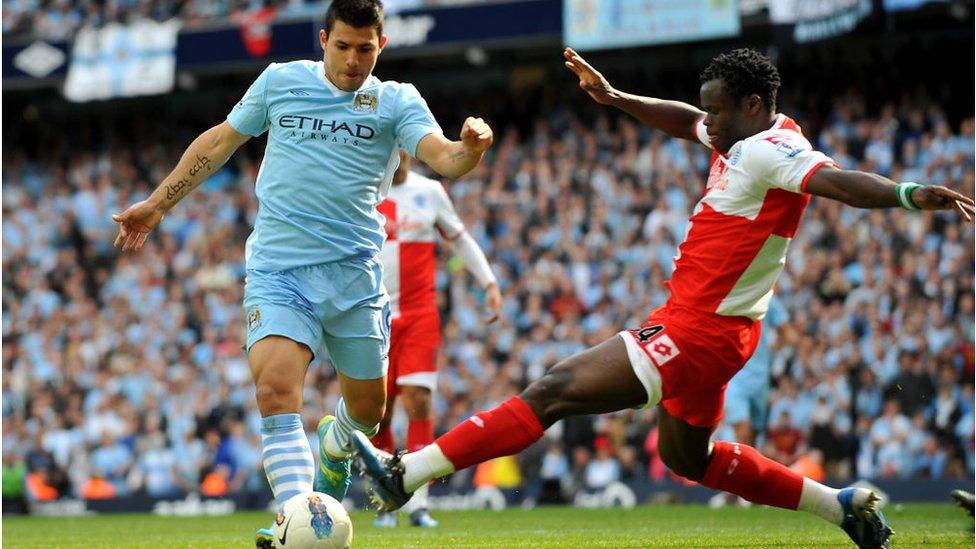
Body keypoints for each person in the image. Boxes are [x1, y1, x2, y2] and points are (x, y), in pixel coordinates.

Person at [353, 47, 975, 548]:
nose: (710, 125)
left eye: (720, 114)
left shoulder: (772, 151)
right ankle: (840, 508)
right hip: (717, 329)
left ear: (754, 106)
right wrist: (618, 97)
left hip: (699, 330)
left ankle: (407, 474)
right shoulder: (743, 132)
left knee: (554, 390)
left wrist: (907, 193)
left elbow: (838, 182)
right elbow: (687, 121)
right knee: (688, 458)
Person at [110, 1, 493, 547]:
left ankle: (336, 443)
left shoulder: (396, 101)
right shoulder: (280, 82)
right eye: (343, 46)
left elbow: (446, 159)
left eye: (365, 49)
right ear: (323, 39)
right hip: (279, 268)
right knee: (274, 389)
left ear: (381, 46)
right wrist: (158, 203)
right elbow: (219, 141)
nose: (353, 60)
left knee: (367, 412)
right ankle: (297, 515)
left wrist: (471, 149)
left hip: (356, 277)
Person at [371, 149, 502, 528]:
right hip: (374, 316)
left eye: (403, 144)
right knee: (379, 413)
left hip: (419, 314)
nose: (399, 153)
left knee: (419, 400)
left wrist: (488, 281)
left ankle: (419, 502)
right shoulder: (363, 191)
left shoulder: (429, 192)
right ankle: (386, 500)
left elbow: (460, 240)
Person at [710, 293, 788, 508]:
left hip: (760, 380)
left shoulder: (769, 298)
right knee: (742, 431)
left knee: (752, 437)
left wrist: (775, 351)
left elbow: (785, 329)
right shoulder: (728, 296)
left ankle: (748, 488)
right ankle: (737, 490)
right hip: (735, 377)